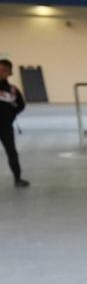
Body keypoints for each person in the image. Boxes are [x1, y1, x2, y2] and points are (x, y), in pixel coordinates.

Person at [0, 59, 28, 188]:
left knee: (12, 152)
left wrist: (11, 114)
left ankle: (17, 178)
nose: (1, 73)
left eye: (4, 70)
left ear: (10, 73)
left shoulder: (13, 90)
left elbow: (21, 106)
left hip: (5, 126)